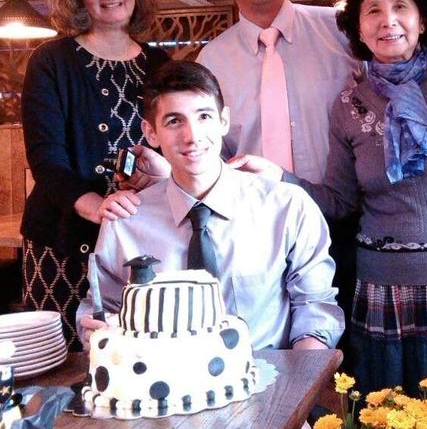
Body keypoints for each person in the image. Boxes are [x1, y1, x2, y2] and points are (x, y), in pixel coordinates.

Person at [240, 0, 427, 398]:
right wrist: (279, 177)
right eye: (373, 11)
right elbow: (339, 200)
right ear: (358, 30)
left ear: (422, 20)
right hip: (386, 292)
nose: (388, 21)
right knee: (389, 411)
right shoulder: (348, 104)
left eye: (401, 7)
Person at [77, 60, 344, 354]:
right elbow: (101, 309)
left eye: (204, 116)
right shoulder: (126, 220)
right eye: (174, 121)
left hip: (270, 378)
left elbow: (314, 309)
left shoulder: (287, 207)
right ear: (151, 133)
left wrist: (297, 383)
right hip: (162, 385)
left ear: (224, 120)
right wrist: (96, 333)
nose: (192, 136)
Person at [196, 0, 359, 360]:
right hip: (260, 240)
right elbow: (214, 154)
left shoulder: (341, 34)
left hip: (346, 223)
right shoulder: (211, 62)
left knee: (352, 365)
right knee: (273, 359)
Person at [21, 0, 169, 351]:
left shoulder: (161, 66)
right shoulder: (51, 61)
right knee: (63, 365)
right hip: (62, 242)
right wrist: (95, 206)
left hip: (141, 243)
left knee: (137, 361)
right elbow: (45, 159)